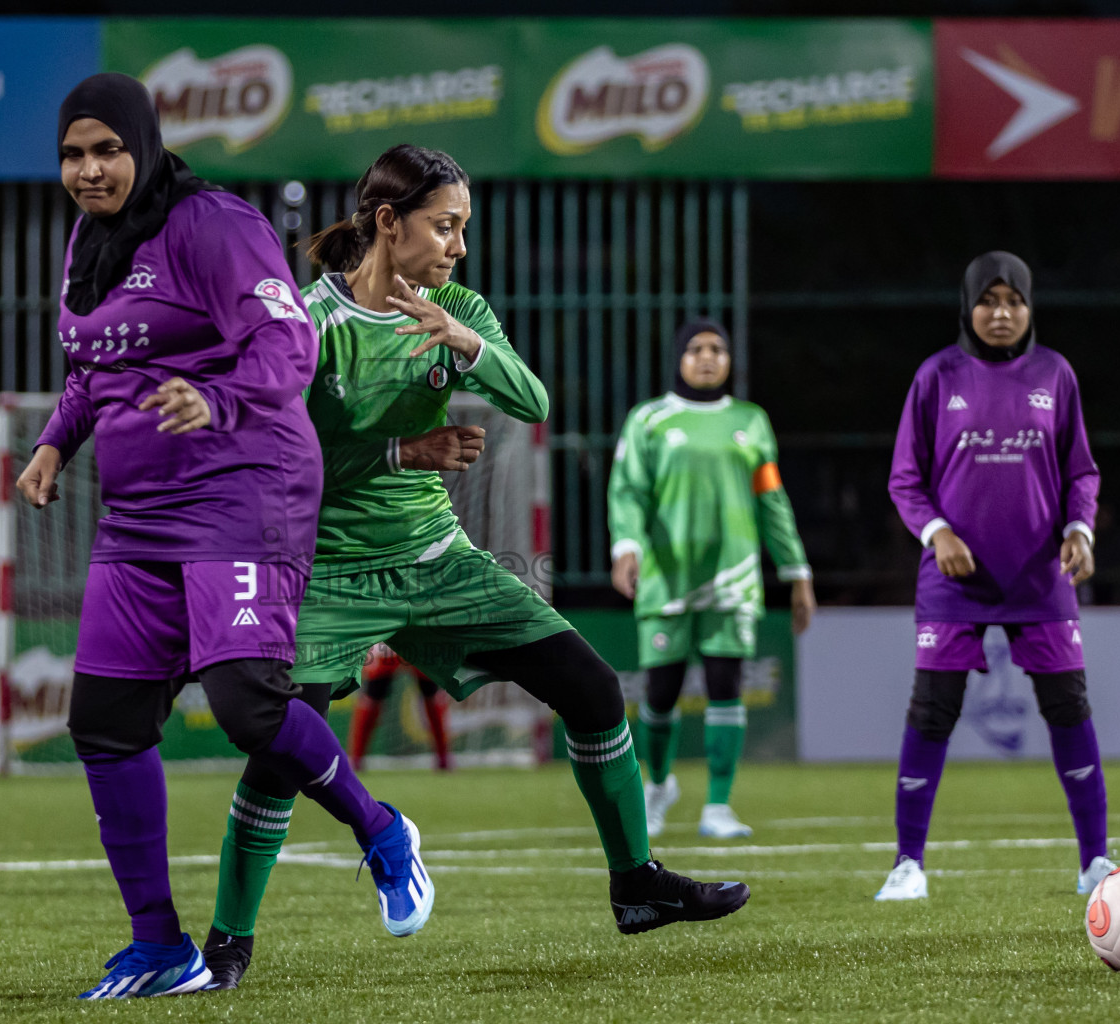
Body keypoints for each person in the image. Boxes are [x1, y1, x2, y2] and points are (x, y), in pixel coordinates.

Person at [199, 143, 748, 991]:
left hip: (437, 559)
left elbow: (533, 400)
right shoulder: (310, 324)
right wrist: (401, 450)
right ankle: (226, 944)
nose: (459, 246)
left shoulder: (458, 307)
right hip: (330, 573)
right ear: (390, 222)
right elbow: (281, 465)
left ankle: (636, 885)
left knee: (593, 689)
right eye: (444, 226)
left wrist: (467, 344)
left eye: (463, 228)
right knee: (279, 747)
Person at [16, 74, 431, 1000]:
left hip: (244, 485)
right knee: (105, 723)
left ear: (144, 145)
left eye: (108, 150)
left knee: (248, 705)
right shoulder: (90, 241)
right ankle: (161, 948)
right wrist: (53, 443)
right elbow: (94, 364)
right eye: (73, 155)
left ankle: (380, 830)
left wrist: (215, 396)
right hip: (139, 512)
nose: (89, 171)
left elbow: (290, 348)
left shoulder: (212, 225)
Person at [877, 251, 1112, 901]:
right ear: (968, 306)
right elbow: (905, 478)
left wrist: (1080, 529)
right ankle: (907, 865)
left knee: (1069, 708)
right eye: (988, 300)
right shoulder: (936, 376)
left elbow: (1081, 471)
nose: (1001, 313)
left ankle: (1095, 861)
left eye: (1014, 300)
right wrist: (937, 532)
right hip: (953, 582)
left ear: (1030, 307)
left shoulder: (1055, 373)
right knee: (932, 713)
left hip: (1040, 578)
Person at [607, 319, 814, 840]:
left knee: (726, 687)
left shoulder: (750, 421)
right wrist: (626, 546)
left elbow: (771, 497)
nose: (706, 357)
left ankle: (718, 805)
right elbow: (627, 490)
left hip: (734, 574)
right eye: (696, 348)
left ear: (729, 360)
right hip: (666, 573)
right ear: (679, 358)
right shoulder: (649, 419)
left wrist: (796, 570)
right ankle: (659, 786)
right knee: (660, 693)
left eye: (717, 349)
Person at [348, 643, 452, 771]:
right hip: (389, 641)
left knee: (431, 693)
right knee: (373, 694)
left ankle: (443, 758)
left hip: (419, 642)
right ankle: (356, 759)